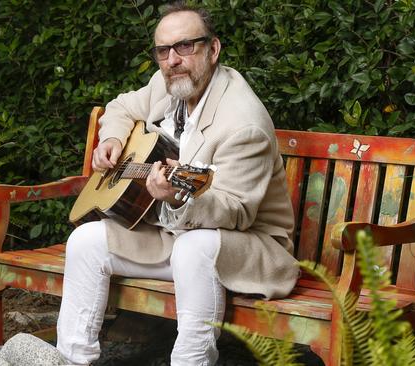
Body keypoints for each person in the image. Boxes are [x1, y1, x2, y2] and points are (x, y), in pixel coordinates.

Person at [56, 2, 298, 365]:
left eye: (186, 46)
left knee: (194, 249)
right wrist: (113, 141)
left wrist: (177, 200)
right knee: (86, 241)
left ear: (213, 49)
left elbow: (238, 210)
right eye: (163, 50)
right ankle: (71, 359)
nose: (173, 59)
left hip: (248, 247)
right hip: (174, 236)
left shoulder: (243, 123)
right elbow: (121, 108)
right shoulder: (166, 83)